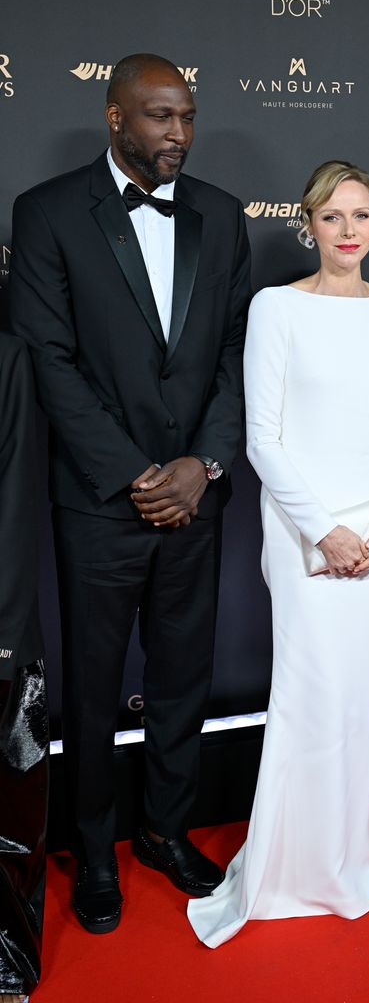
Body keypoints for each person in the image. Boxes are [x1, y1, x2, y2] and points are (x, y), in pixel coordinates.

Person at [9, 53, 251, 933]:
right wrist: (135, 474)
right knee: (97, 685)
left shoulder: (222, 217)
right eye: (158, 117)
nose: (178, 134)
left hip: (198, 498)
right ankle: (96, 851)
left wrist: (203, 465)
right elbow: (48, 360)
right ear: (115, 118)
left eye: (186, 116)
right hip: (101, 503)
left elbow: (235, 354)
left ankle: (166, 831)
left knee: (185, 678)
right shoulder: (46, 214)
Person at [188, 160, 369, 946]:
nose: (350, 231)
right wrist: (324, 529)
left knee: (356, 703)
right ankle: (287, 872)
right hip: (302, 532)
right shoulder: (275, 308)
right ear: (309, 224)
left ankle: (345, 865)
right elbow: (263, 439)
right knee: (307, 693)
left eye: (362, 216)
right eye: (333, 218)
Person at [0, 333, 48, 1003]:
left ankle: (7, 947)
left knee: (9, 792)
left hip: (0, 614)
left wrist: (5, 634)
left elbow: (17, 491)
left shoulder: (8, 356)